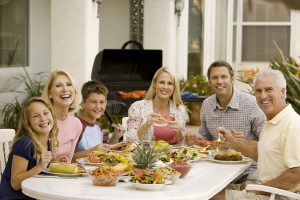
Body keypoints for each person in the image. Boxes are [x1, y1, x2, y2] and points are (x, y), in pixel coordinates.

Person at [212, 68, 300, 199]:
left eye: (269, 90)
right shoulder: (274, 120)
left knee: (209, 196)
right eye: (258, 91)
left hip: (277, 197)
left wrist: (260, 190)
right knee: (213, 186)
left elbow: (297, 173)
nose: (263, 96)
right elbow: (266, 151)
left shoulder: (292, 124)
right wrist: (233, 142)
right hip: (265, 189)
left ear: (282, 92)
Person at [197, 60, 265, 182]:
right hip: (214, 168)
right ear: (209, 82)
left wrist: (243, 142)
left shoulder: (251, 104)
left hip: (246, 172)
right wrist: (195, 139)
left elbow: (268, 141)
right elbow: (203, 135)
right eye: (215, 78)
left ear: (232, 78)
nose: (219, 81)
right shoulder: (207, 104)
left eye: (223, 77)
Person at [0, 97, 58, 200]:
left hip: (33, 195)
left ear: (52, 115)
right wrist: (40, 166)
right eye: (36, 116)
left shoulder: (47, 142)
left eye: (45, 113)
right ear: (28, 123)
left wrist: (56, 164)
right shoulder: (25, 143)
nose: (43, 118)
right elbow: (15, 183)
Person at [126, 67, 188, 144]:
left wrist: (178, 132)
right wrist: (146, 125)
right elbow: (130, 140)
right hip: (145, 155)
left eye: (170, 83)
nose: (165, 87)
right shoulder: (137, 107)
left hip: (173, 155)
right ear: (155, 83)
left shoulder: (179, 110)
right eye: (162, 82)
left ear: (174, 87)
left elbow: (182, 143)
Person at [73, 80, 124, 160]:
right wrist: (92, 151)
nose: (98, 106)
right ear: (82, 103)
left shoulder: (97, 125)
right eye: (93, 102)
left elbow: (104, 151)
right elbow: (67, 158)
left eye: (102, 102)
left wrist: (116, 136)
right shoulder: (76, 126)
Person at [42, 70, 82, 163]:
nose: (65, 89)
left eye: (69, 84)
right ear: (49, 93)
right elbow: (34, 160)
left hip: (62, 175)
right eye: (58, 85)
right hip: (41, 176)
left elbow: (68, 161)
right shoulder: (43, 121)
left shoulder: (76, 124)